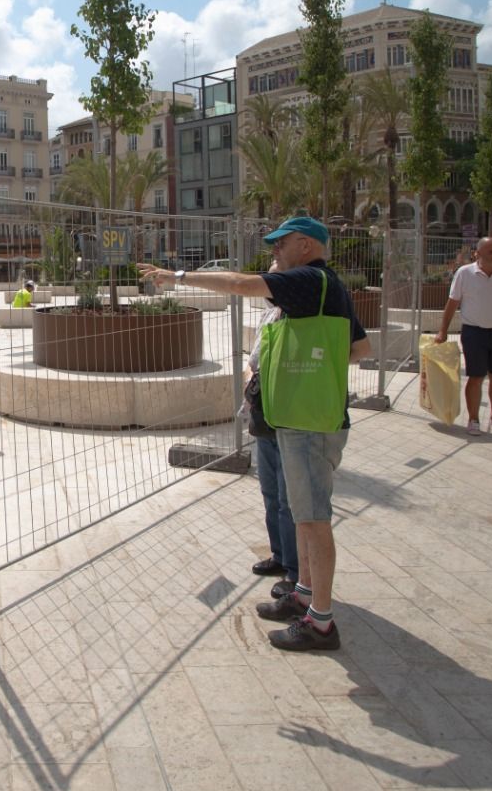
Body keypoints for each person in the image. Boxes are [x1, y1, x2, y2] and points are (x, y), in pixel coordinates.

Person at [141, 216, 371, 652]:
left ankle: (321, 623)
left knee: (314, 519)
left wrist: (179, 276)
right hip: (305, 415)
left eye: (280, 244)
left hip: (310, 421)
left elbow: (241, 283)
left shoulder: (311, 278)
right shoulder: (327, 288)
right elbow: (361, 348)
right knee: (303, 516)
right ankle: (303, 594)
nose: (274, 253)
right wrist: (317, 363)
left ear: (305, 245)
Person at [435, 237, 492, 436]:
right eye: (491, 251)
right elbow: (452, 303)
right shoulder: (464, 273)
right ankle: (473, 420)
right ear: (478, 253)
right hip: (474, 332)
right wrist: (443, 331)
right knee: (475, 377)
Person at [246, 262, 297, 600]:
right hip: (264, 407)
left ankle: (296, 572)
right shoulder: (270, 314)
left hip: (291, 411)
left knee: (288, 498)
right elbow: (255, 356)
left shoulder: (302, 314)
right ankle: (280, 556)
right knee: (269, 491)